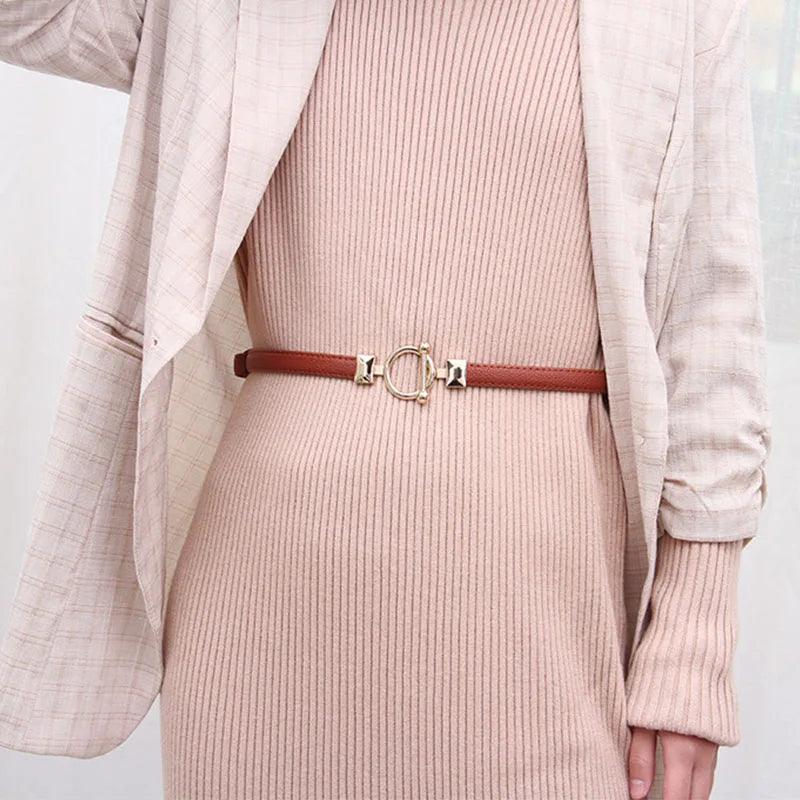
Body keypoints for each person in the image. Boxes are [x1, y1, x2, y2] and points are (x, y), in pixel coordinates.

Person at [0, 0, 771, 798]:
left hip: (544, 610)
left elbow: (710, 323)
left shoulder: (675, 15)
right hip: (261, 607)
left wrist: (693, 637)